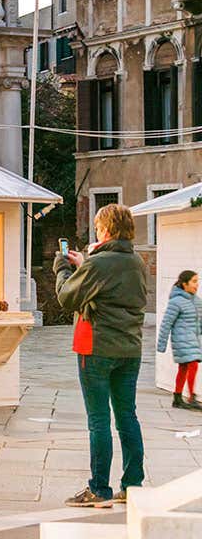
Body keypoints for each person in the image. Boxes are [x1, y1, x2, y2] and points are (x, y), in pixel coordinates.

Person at [55, 203, 147, 508]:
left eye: (97, 227)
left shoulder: (100, 262)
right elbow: (112, 289)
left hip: (96, 347)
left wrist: (63, 268)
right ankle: (133, 484)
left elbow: (67, 297)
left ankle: (99, 488)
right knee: (127, 417)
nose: (96, 231)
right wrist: (86, 264)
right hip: (129, 349)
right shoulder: (137, 262)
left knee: (98, 421)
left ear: (106, 230)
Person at [157, 270, 202, 411]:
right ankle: (191, 397)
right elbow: (166, 323)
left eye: (197, 281)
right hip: (182, 340)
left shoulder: (196, 301)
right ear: (184, 284)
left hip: (194, 339)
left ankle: (177, 397)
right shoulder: (176, 302)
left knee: (184, 368)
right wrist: (161, 344)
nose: (197, 285)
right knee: (193, 364)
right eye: (194, 281)